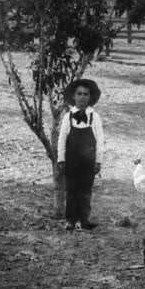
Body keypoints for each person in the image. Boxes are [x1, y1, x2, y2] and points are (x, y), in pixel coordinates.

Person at [57, 79, 104, 231]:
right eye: (79, 94)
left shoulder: (94, 117)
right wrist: (61, 159)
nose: (82, 97)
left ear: (90, 97)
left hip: (88, 161)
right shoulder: (68, 117)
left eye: (86, 94)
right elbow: (62, 139)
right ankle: (70, 220)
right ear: (73, 96)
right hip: (71, 160)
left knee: (85, 190)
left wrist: (98, 161)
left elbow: (100, 141)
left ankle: (84, 220)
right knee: (71, 189)